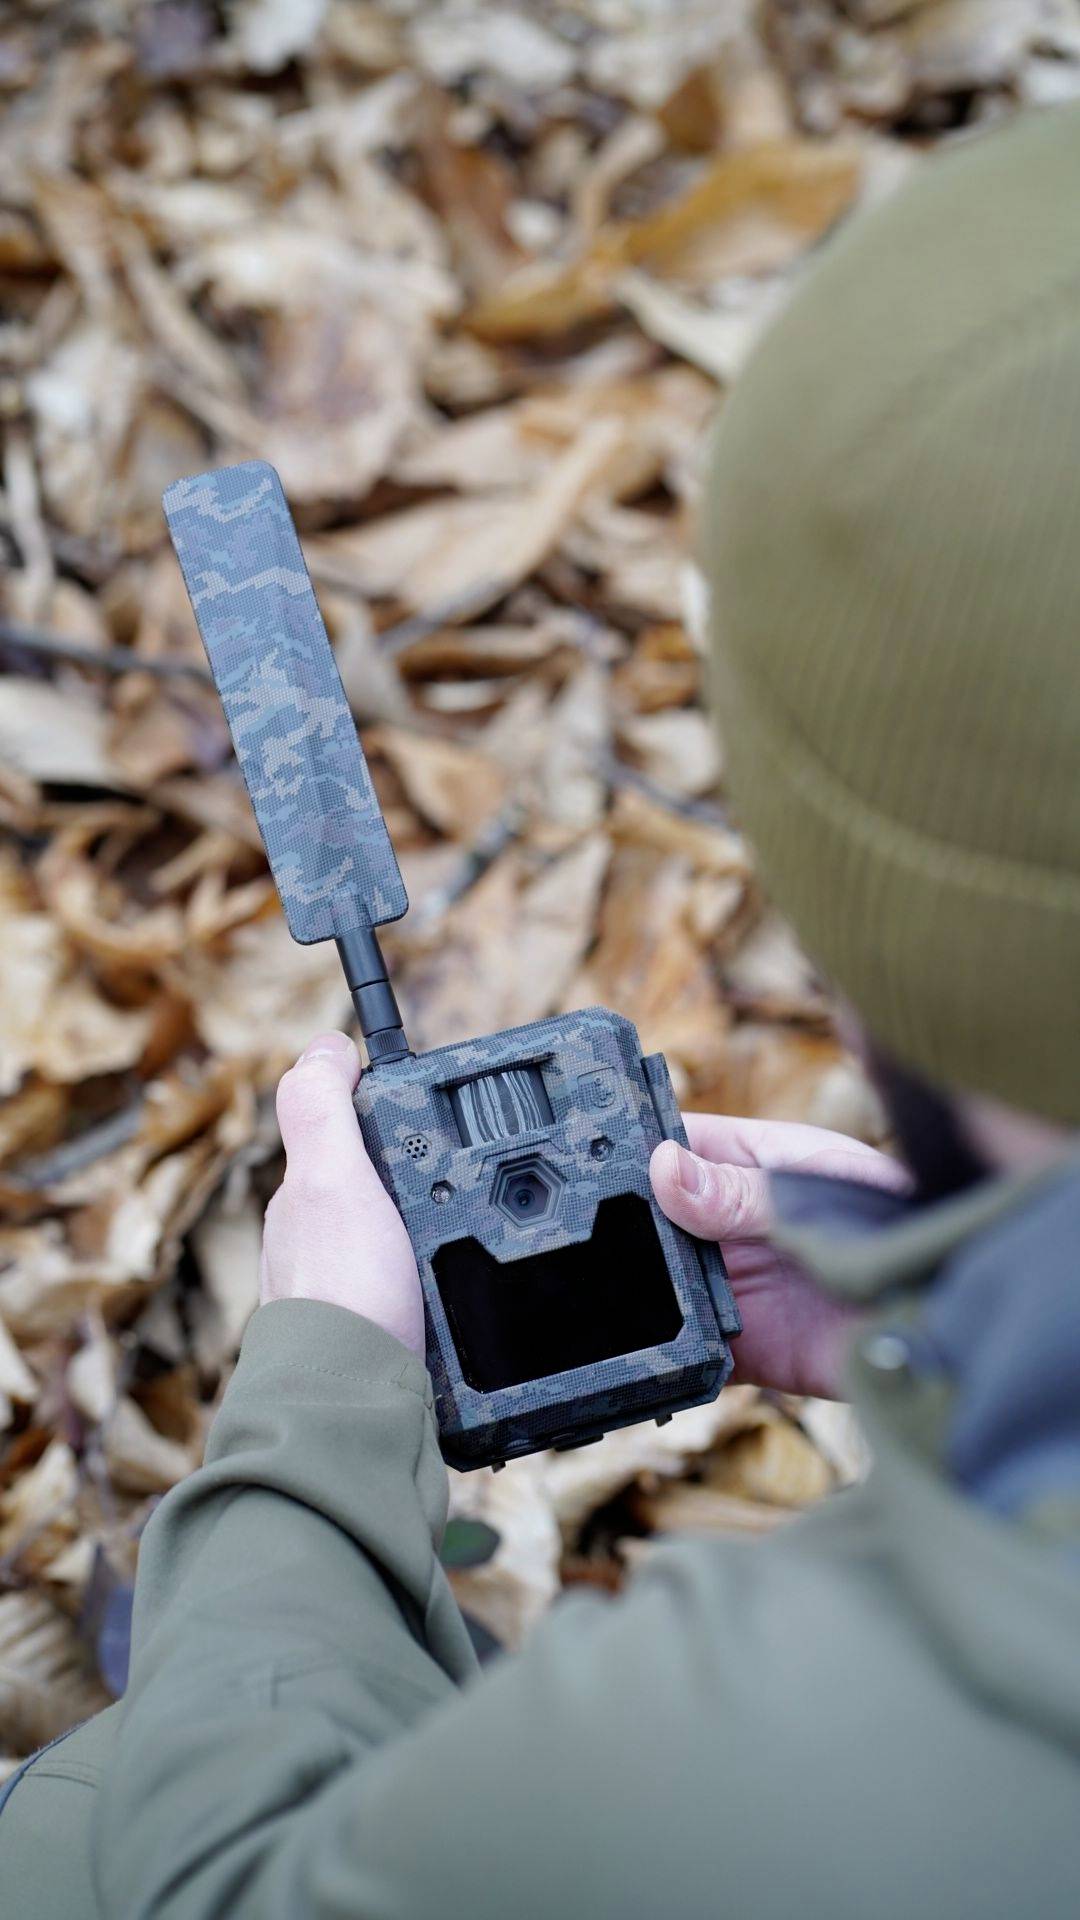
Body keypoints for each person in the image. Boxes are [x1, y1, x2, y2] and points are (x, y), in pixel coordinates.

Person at [5, 99, 1080, 1918]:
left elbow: (213, 1890)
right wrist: (966, 1312)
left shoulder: (771, 1759)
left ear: (869, 913)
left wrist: (318, 1406)